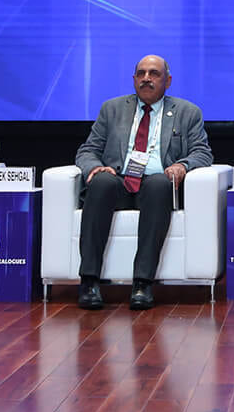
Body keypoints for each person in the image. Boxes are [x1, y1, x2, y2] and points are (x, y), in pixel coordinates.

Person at [73, 55, 212, 310]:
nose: (146, 78)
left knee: (159, 185)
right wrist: (94, 167)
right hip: (119, 181)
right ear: (134, 79)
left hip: (157, 185)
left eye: (154, 74)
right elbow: (88, 150)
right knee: (101, 183)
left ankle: (142, 283)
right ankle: (89, 281)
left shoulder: (187, 112)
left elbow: (202, 153)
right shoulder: (112, 109)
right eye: (141, 73)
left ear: (167, 81)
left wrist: (182, 166)